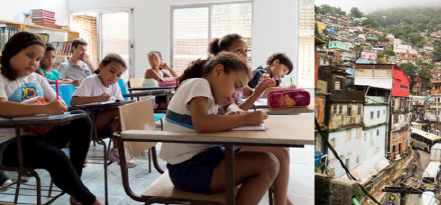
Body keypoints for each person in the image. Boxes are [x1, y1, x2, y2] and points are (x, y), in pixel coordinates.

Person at [161, 53, 278, 205]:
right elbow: (202, 124)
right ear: (218, 71)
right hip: (188, 170)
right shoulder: (199, 84)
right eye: (236, 86)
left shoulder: (209, 94)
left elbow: (233, 109)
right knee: (267, 163)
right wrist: (245, 118)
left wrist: (238, 109)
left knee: (268, 160)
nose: (234, 95)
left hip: (199, 162)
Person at [0, 32, 102, 205]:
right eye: (29, 55)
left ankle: (75, 188)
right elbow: (3, 107)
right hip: (10, 144)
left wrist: (53, 106)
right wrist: (45, 107)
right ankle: (88, 199)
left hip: (39, 136)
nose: (34, 63)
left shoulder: (38, 78)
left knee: (82, 119)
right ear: (12, 51)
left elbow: (60, 104)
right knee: (55, 156)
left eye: (38, 59)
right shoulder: (1, 78)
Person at [207, 34, 293, 205]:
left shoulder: (231, 76)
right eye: (239, 50)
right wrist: (251, 103)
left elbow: (235, 108)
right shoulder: (214, 79)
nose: (245, 55)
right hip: (221, 138)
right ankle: (281, 201)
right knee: (279, 153)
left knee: (283, 150)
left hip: (228, 131)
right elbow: (224, 115)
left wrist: (258, 91)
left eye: (246, 51)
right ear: (222, 54)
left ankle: (281, 199)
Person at [70, 54, 136, 168]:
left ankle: (120, 150)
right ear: (101, 66)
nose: (114, 77)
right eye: (112, 71)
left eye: (119, 75)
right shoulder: (90, 81)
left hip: (105, 122)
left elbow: (119, 101)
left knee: (121, 116)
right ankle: (118, 150)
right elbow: (73, 102)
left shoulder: (114, 85)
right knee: (117, 111)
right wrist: (97, 98)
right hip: (89, 124)